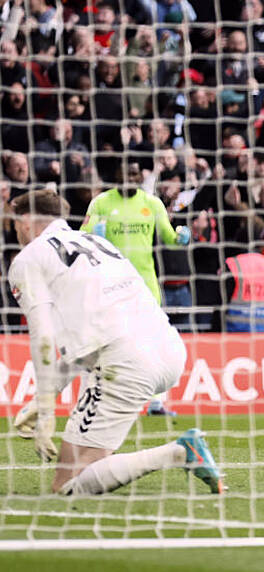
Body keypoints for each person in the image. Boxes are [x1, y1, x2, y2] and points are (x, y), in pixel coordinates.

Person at [9, 190, 221, 495]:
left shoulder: (28, 259)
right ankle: (175, 451)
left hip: (124, 362)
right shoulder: (97, 242)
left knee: (67, 486)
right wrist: (47, 395)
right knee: (84, 462)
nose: (14, 231)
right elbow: (92, 338)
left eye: (14, 223)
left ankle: (178, 452)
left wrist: (45, 411)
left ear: (26, 220)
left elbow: (42, 337)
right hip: (168, 347)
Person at [81, 159, 190, 416]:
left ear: (140, 176)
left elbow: (169, 237)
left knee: (152, 342)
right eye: (124, 172)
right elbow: (82, 235)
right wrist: (95, 234)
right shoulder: (101, 203)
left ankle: (155, 403)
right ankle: (105, 399)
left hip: (145, 284)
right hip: (111, 284)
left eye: (133, 172)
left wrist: (181, 238)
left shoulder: (152, 203)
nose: (129, 177)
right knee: (112, 342)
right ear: (116, 176)